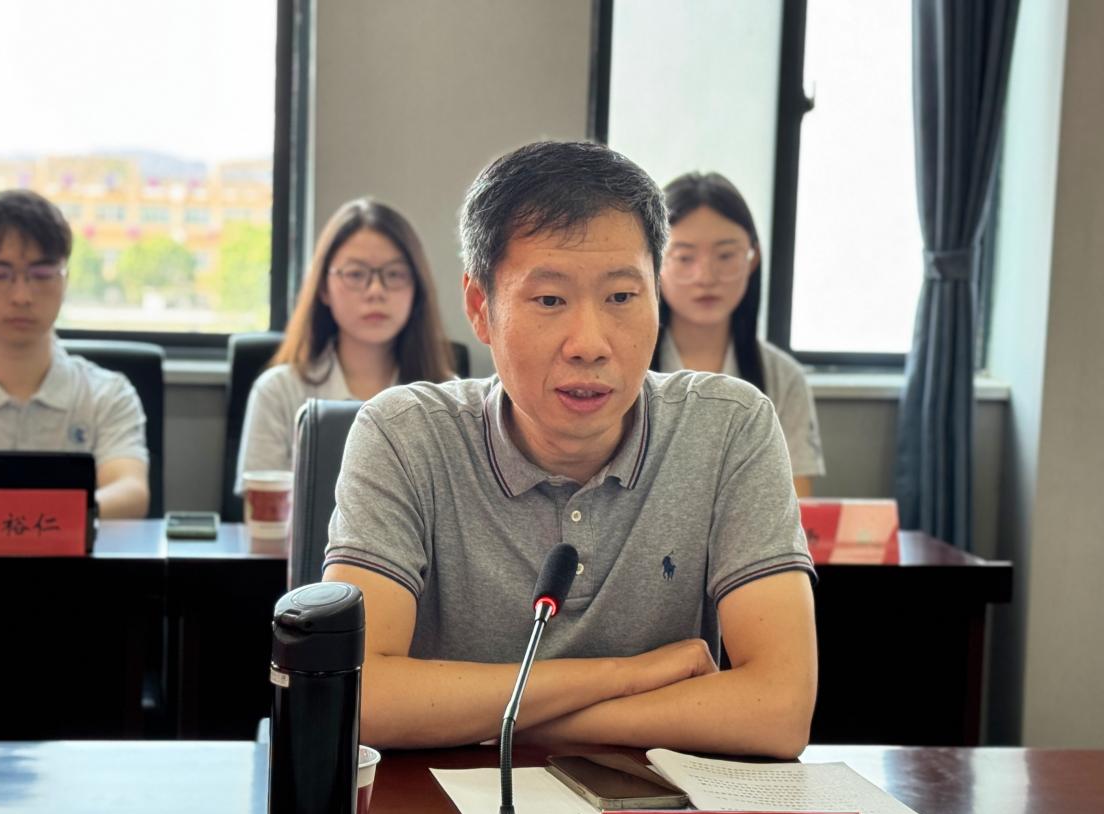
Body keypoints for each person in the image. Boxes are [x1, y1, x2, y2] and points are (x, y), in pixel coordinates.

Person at [323, 141, 816, 758]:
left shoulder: (729, 427)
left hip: (653, 811)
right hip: (439, 811)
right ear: (480, 308)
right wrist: (626, 676)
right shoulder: (403, 434)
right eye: (550, 300)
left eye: (621, 297)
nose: (589, 344)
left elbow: (779, 709)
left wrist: (519, 722)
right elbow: (361, 695)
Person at [0, 190, 149, 519]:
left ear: (65, 280)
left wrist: (14, 521)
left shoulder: (107, 395)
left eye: (41, 274)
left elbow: (130, 493)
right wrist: (42, 520)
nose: (22, 296)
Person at [235, 198, 454, 491]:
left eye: (394, 274)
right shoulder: (279, 391)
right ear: (323, 288)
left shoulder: (447, 398)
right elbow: (263, 509)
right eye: (355, 274)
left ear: (416, 287)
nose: (375, 291)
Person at [654, 172, 825, 496]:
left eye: (726, 255)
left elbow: (797, 505)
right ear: (654, 261)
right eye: (685, 257)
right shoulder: (627, 367)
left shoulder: (783, 377)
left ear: (752, 258)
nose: (706, 276)